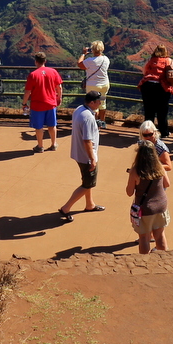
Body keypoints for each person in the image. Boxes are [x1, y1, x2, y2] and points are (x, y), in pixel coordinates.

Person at [57, 91, 106, 221]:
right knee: (88, 184)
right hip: (87, 157)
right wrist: (92, 159)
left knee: (87, 181)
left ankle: (90, 204)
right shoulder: (88, 117)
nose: (100, 103)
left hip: (79, 153)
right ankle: (65, 208)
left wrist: (96, 126)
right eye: (98, 101)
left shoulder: (80, 109)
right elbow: (87, 141)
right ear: (91, 102)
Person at [126, 140, 171, 254]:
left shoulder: (135, 171)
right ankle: (164, 258)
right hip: (161, 205)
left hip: (145, 209)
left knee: (144, 237)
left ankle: (145, 261)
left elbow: (129, 192)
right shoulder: (160, 166)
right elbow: (167, 184)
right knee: (159, 234)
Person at [24, 51, 62, 152]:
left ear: (36, 62)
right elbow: (59, 87)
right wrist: (59, 98)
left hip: (37, 105)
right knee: (52, 125)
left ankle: (40, 146)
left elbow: (28, 92)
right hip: (51, 103)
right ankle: (53, 144)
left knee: (39, 126)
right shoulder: (53, 71)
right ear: (45, 61)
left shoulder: (32, 75)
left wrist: (24, 103)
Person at [138, 45, 173, 139]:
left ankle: (147, 133)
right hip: (162, 87)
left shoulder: (150, 60)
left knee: (149, 111)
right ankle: (164, 132)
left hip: (147, 86)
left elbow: (144, 71)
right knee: (162, 111)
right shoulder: (168, 60)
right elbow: (172, 74)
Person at [77, 41, 111, 129]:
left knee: (93, 105)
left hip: (92, 86)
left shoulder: (89, 61)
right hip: (104, 85)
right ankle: (102, 123)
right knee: (102, 103)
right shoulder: (106, 59)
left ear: (92, 50)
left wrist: (83, 54)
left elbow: (80, 64)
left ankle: (94, 124)